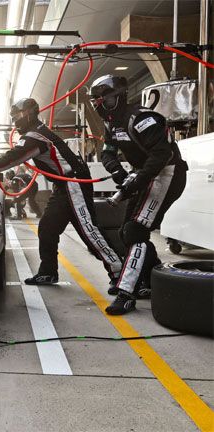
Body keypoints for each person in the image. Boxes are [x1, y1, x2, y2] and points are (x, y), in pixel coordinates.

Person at [0, 98, 122, 288]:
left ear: (29, 113)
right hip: (63, 185)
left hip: (73, 184)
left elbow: (10, 160)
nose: (15, 120)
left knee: (89, 231)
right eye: (13, 116)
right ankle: (48, 273)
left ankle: (119, 273)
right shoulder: (35, 133)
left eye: (17, 115)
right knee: (47, 228)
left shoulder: (34, 136)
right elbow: (15, 155)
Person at [90, 75, 187, 315]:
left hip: (168, 173)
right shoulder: (112, 124)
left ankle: (127, 292)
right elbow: (107, 154)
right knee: (127, 232)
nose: (98, 105)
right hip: (143, 174)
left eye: (102, 100)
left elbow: (162, 154)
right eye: (96, 101)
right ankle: (152, 278)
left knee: (136, 230)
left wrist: (138, 180)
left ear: (116, 98)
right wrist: (118, 172)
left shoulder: (143, 118)